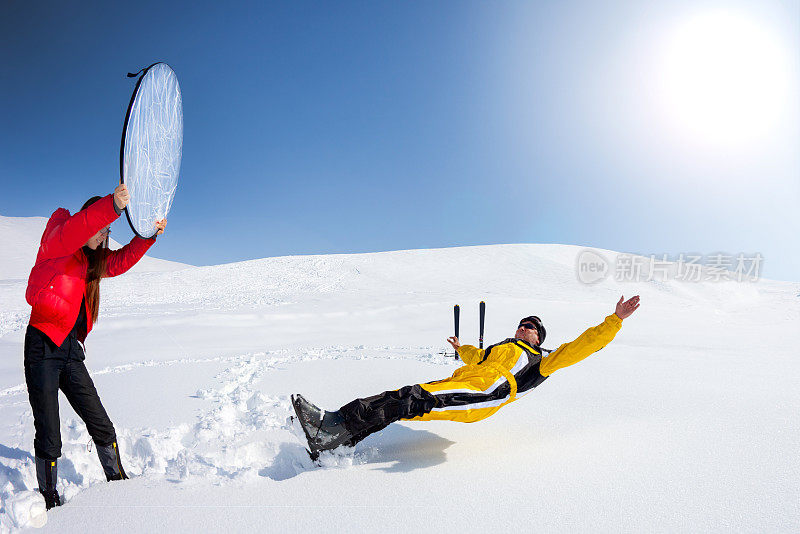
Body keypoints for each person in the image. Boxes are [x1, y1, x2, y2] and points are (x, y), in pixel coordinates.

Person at [291, 295, 641, 459]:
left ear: (539, 338)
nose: (525, 326)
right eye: (523, 323)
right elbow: (478, 357)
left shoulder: (542, 360)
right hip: (466, 383)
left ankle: (332, 428)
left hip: (487, 392)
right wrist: (461, 348)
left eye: (532, 327)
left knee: (411, 399)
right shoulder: (502, 347)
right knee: (404, 399)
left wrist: (615, 320)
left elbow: (583, 345)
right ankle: (338, 443)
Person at [24, 184, 167, 509]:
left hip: (70, 351)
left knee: (101, 423)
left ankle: (118, 484)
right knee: (49, 433)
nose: (105, 236)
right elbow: (79, 227)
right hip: (42, 345)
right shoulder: (57, 242)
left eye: (108, 232)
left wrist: (148, 236)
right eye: (101, 229)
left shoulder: (91, 264)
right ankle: (50, 502)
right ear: (88, 220)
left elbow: (120, 261)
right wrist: (111, 206)